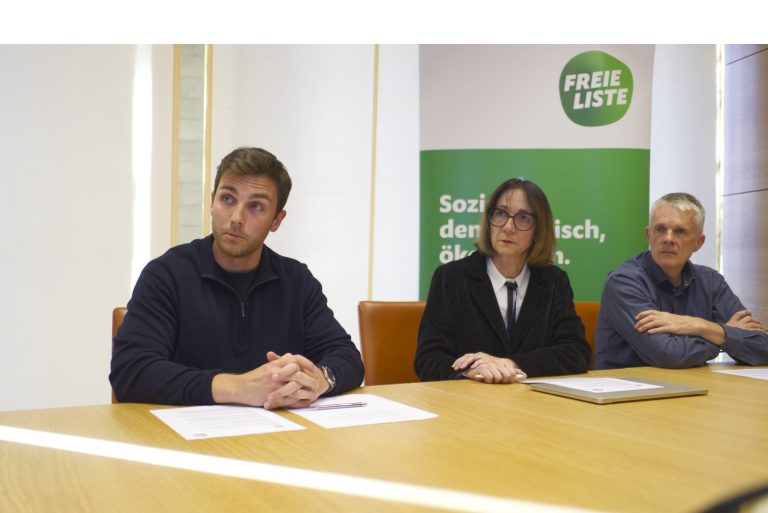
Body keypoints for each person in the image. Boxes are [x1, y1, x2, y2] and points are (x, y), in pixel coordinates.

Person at [110, 147, 364, 408]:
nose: (236, 218)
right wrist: (240, 387)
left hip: (278, 430)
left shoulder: (296, 280)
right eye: (227, 199)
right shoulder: (166, 274)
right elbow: (130, 370)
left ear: (276, 221)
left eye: (256, 206)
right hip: (186, 430)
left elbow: (347, 357)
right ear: (212, 202)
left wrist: (319, 379)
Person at [414, 178, 592, 383]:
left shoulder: (554, 281)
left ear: (538, 230)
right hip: (469, 399)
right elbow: (427, 359)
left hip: (532, 400)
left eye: (523, 218)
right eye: (500, 214)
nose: (508, 227)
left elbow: (576, 353)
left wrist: (510, 364)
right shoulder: (452, 277)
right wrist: (471, 370)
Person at [595, 192, 768, 369]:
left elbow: (763, 346)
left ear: (698, 242)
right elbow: (668, 355)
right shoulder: (624, 282)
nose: (668, 239)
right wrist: (723, 334)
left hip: (692, 382)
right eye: (660, 229)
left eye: (680, 231)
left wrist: (698, 325)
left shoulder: (711, 282)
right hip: (629, 384)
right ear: (649, 235)